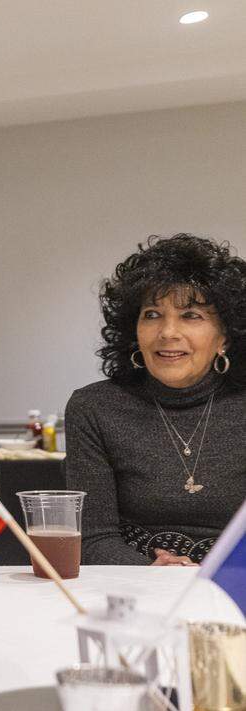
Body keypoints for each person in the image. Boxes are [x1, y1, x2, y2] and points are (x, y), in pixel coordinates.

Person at [65, 234, 246, 566]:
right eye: (152, 314)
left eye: (191, 315)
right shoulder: (94, 408)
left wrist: (215, 576)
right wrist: (152, 571)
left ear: (224, 337)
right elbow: (92, 539)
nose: (167, 332)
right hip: (132, 589)